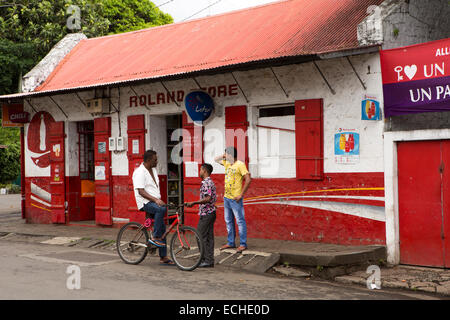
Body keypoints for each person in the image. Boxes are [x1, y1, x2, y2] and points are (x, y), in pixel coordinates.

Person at [132, 149, 174, 265]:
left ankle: (163, 256)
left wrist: (157, 200)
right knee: (161, 209)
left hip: (154, 202)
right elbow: (141, 191)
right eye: (155, 160)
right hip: (145, 202)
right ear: (149, 160)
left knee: (162, 227)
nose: (157, 162)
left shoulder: (153, 170)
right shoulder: (140, 172)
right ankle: (155, 237)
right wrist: (156, 200)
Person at [214, 146, 251, 253]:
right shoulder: (227, 164)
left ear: (231, 155)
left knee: (240, 221)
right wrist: (223, 155)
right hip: (227, 198)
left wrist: (241, 194)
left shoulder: (240, 164)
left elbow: (248, 179)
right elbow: (215, 159)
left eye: (226, 154)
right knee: (228, 221)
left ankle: (243, 244)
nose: (224, 156)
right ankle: (231, 242)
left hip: (236, 199)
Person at [185, 163, 217, 268]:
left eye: (200, 170)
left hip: (207, 213)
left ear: (204, 170)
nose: (199, 172)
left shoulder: (206, 183)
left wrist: (194, 203)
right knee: (208, 237)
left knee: (199, 235)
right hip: (210, 212)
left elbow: (207, 198)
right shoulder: (210, 182)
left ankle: (205, 259)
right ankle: (209, 260)